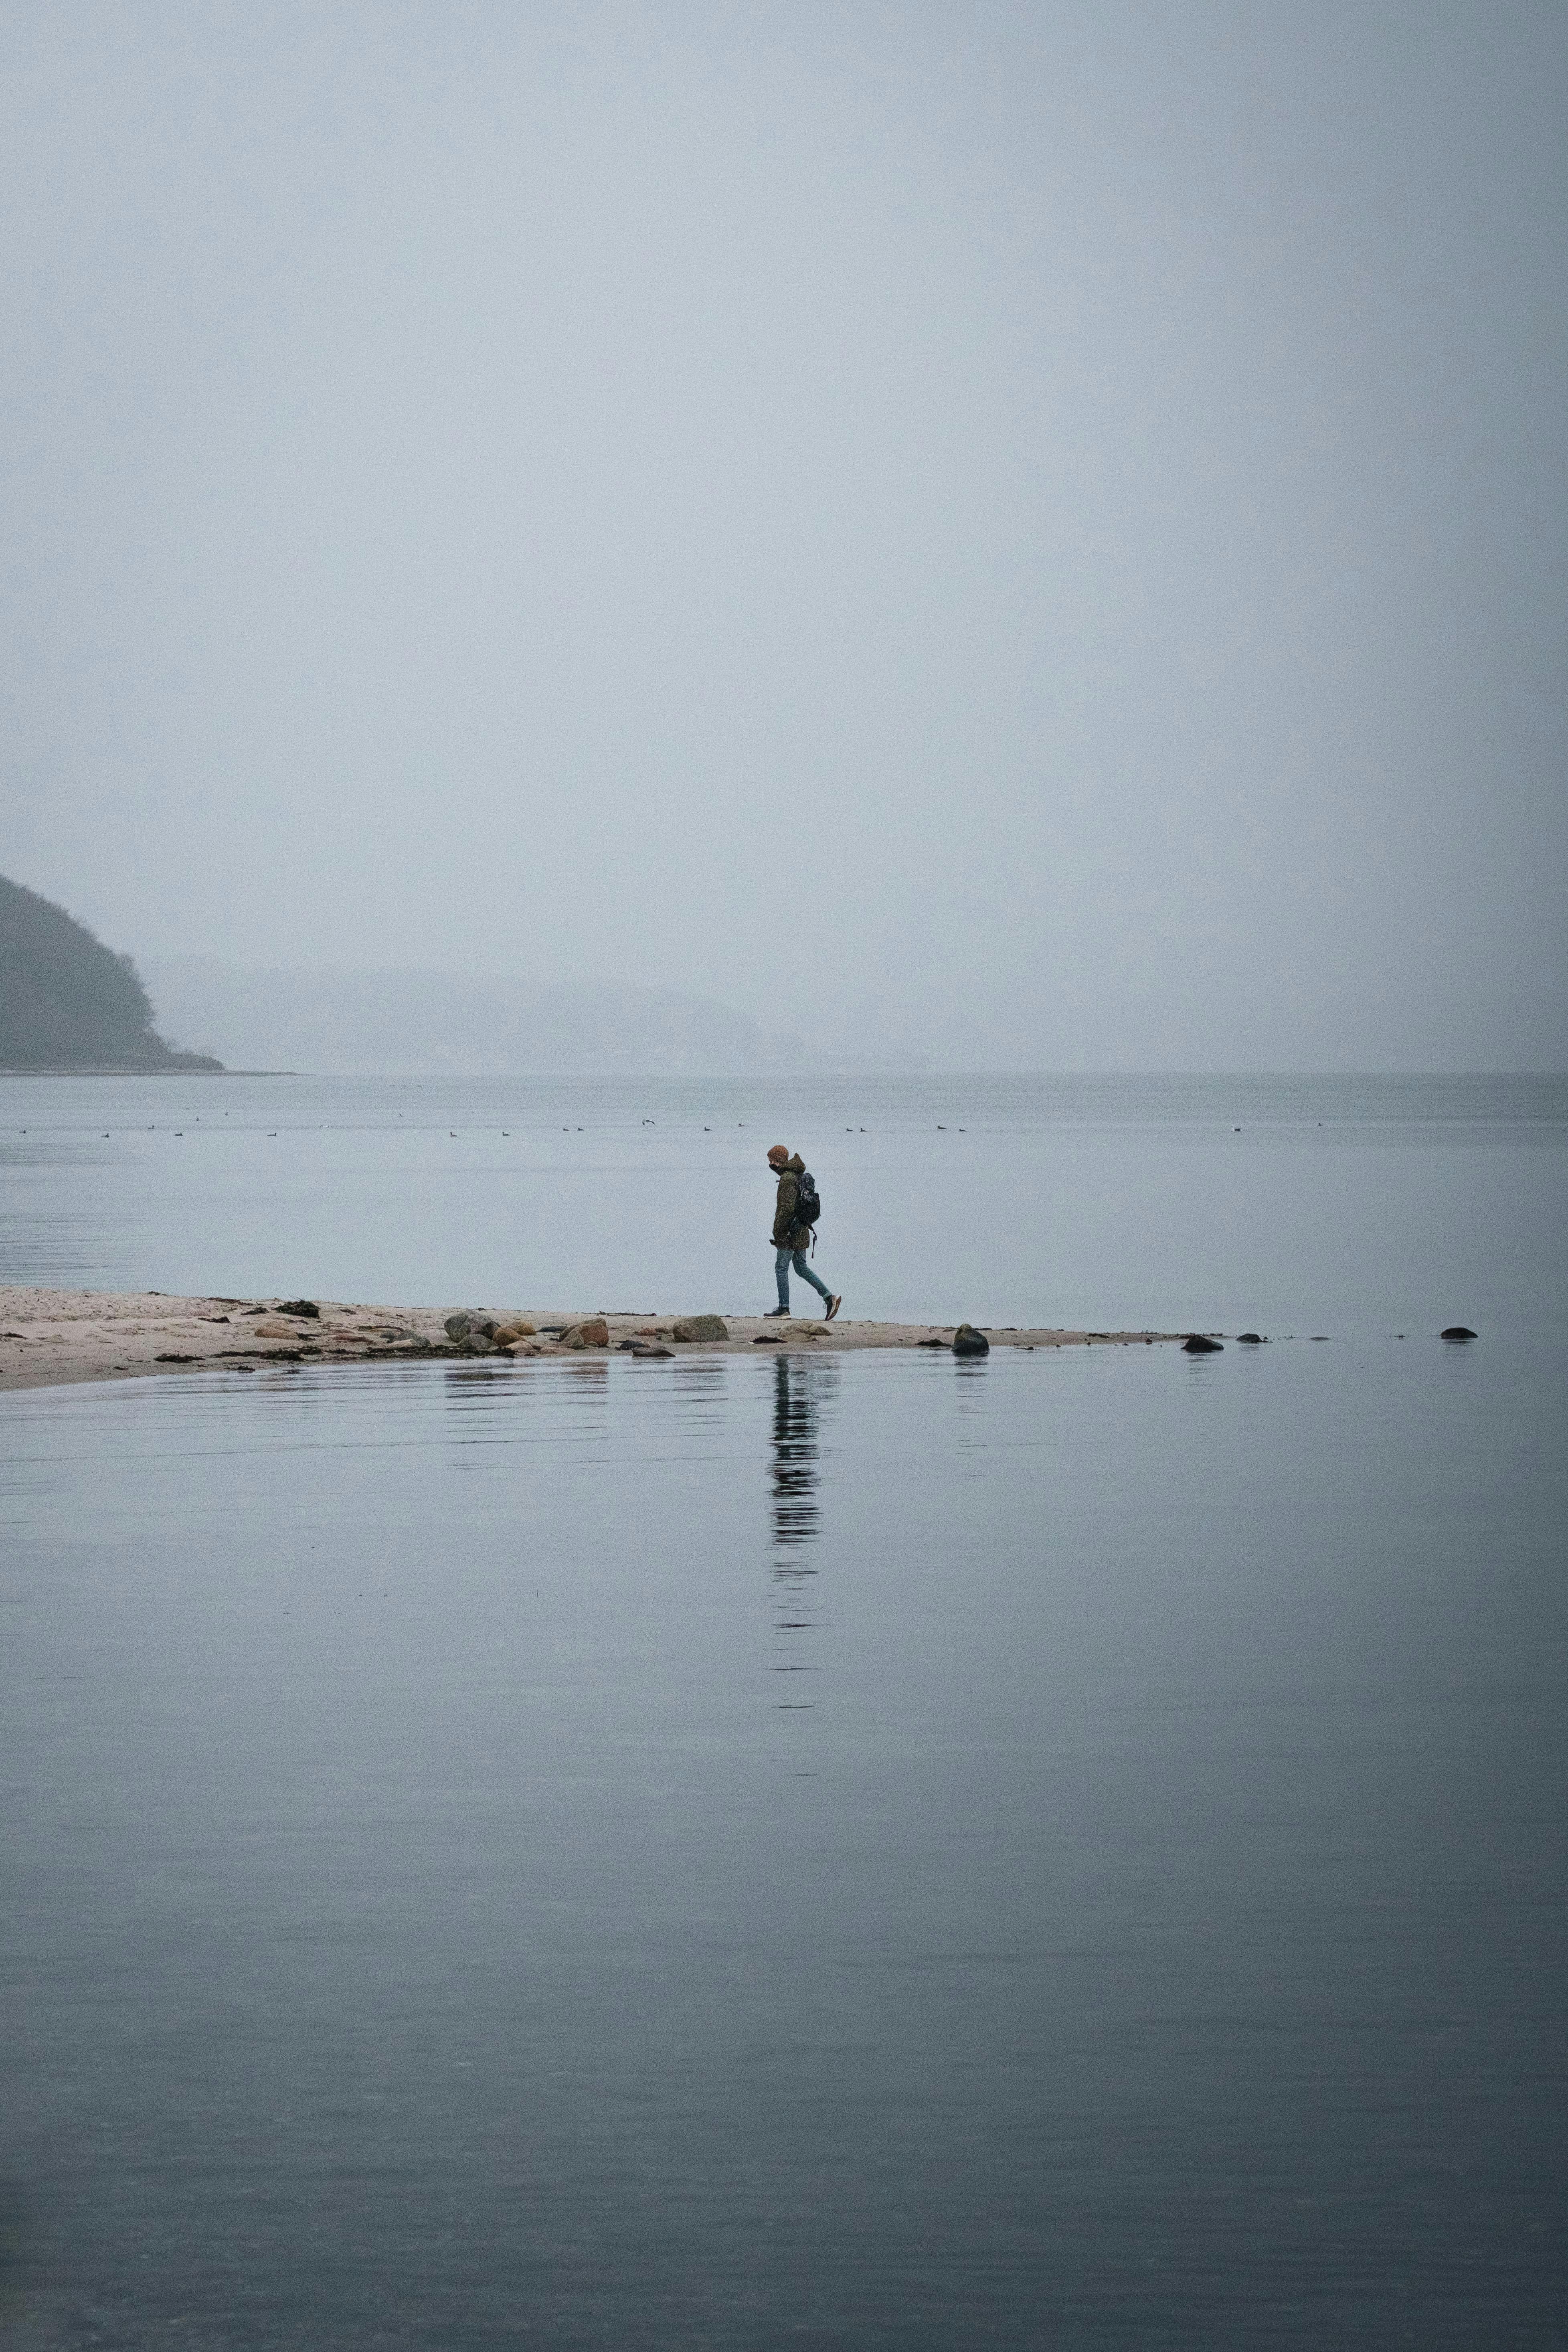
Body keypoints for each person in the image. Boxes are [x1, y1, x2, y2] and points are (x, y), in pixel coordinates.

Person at [765, 1144, 841, 1320]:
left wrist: (779, 1233)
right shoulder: (798, 1175)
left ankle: (784, 1309)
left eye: (771, 1160)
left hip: (790, 1233)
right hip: (801, 1230)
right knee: (801, 1268)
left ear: (779, 1161)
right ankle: (830, 1298)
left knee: (781, 1268)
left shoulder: (787, 1179)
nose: (770, 1163)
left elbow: (786, 1209)